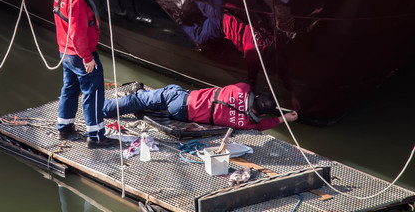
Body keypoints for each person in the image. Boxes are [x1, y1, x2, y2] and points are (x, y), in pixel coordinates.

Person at [53, 0, 116, 148]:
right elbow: (78, 34)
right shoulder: (77, 2)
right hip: (80, 53)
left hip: (64, 51)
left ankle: (64, 128)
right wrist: (87, 58)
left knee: (70, 88)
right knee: (94, 92)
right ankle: (96, 136)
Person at [102, 82, 298, 131]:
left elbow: (247, 85)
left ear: (255, 95)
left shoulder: (242, 89)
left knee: (141, 98)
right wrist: (283, 118)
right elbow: (261, 126)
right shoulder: (247, 123)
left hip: (180, 99)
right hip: (182, 117)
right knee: (153, 105)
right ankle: (146, 106)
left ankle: (102, 109)